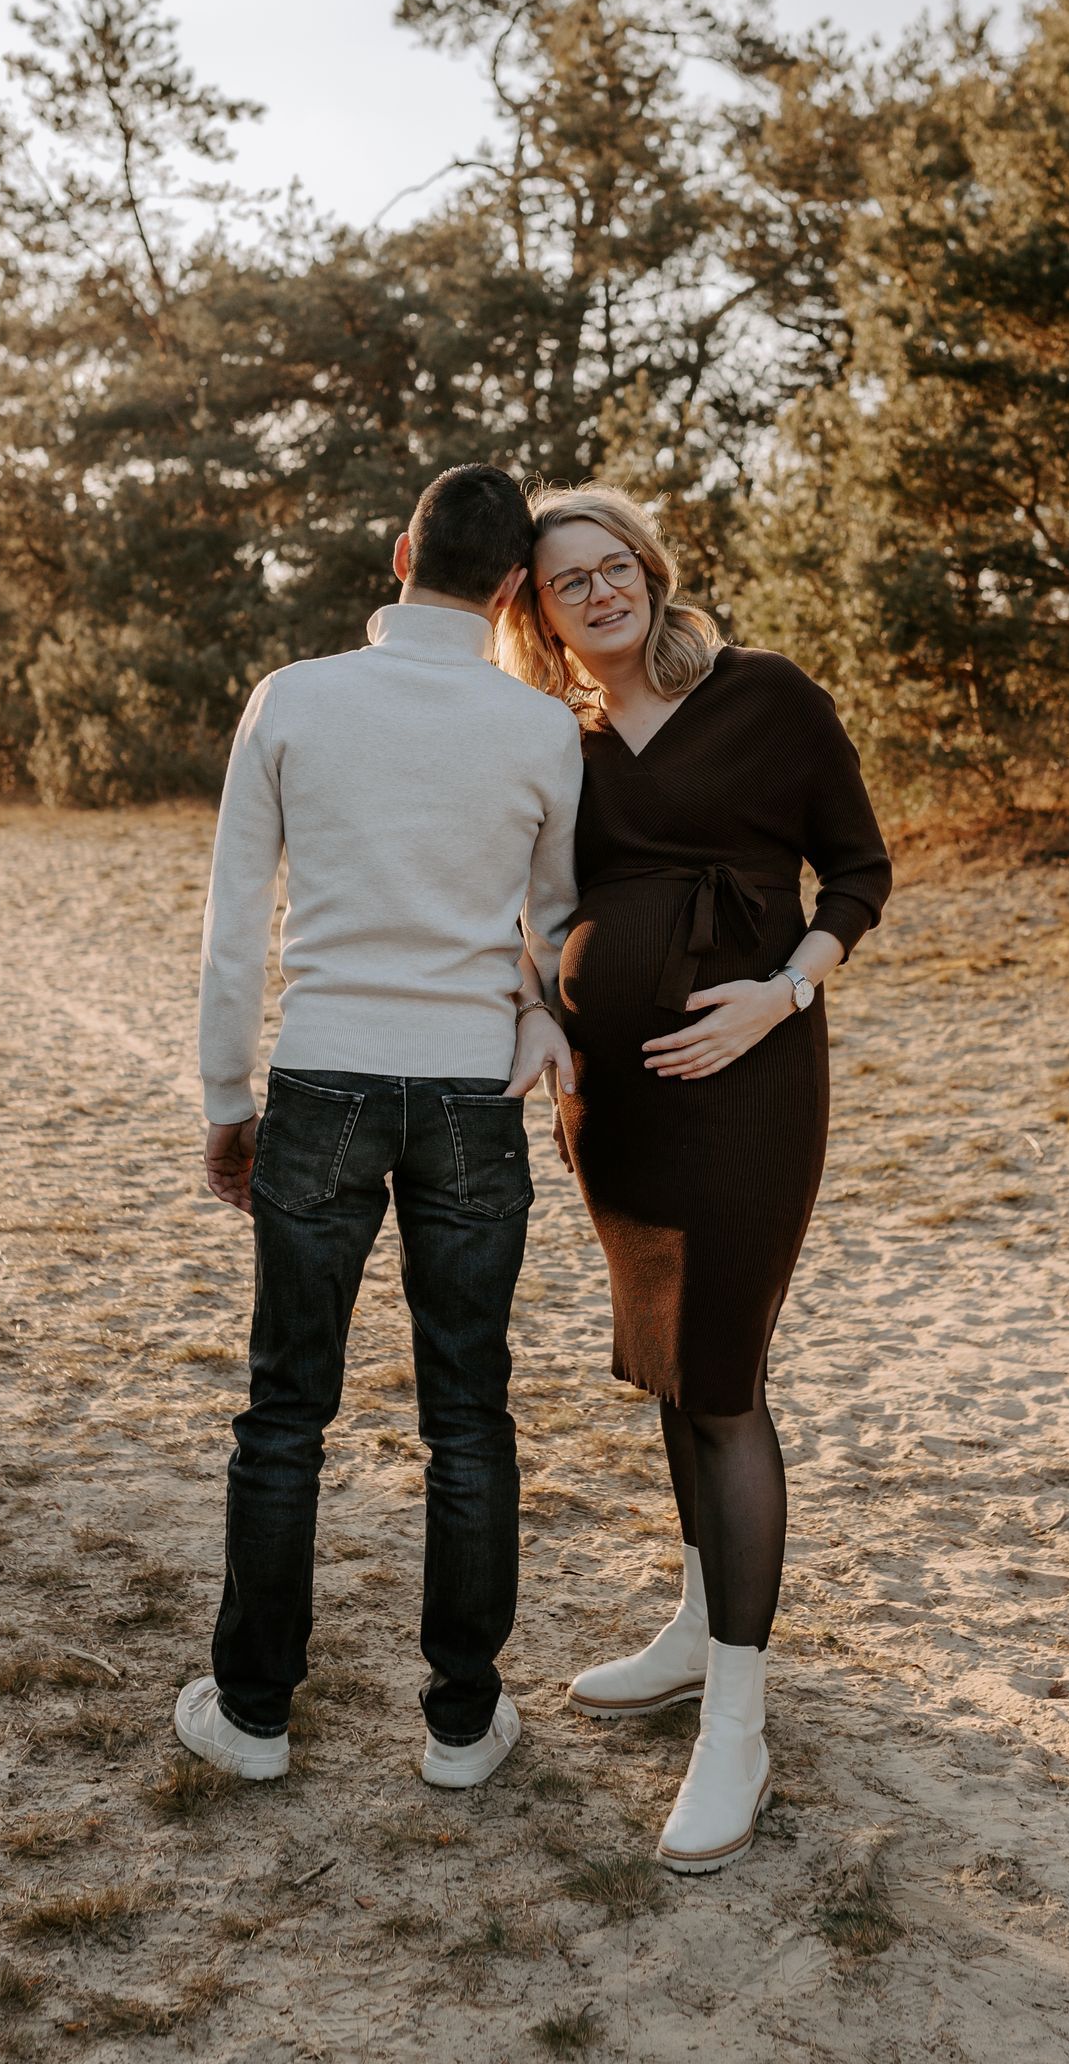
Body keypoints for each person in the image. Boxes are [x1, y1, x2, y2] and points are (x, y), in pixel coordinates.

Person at [497, 487, 890, 1873]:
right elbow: (527, 908)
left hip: (750, 1081)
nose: (601, 592)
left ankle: (738, 1726)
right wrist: (542, 1013)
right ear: (540, 614)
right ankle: (691, 1626)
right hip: (611, 1103)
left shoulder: (765, 695)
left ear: (654, 575)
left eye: (618, 567)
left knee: (722, 1381)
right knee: (670, 1362)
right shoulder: (557, 741)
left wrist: (780, 995)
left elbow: (858, 875)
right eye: (571, 582)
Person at [180, 464, 580, 1792]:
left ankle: (254, 1714)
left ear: (401, 554)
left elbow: (235, 927)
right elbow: (558, 928)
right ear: (514, 589)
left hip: (323, 1082)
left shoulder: (292, 699)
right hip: (473, 1094)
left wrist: (228, 1101)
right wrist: (538, 1016)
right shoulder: (543, 730)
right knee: (469, 1412)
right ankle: (462, 1723)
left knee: (286, 1409)